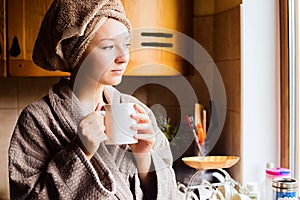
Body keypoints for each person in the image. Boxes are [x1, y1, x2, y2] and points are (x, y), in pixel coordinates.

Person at [8, 0, 177, 199]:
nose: (123, 57)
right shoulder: (37, 120)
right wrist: (80, 152)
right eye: (108, 47)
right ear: (76, 52)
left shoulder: (137, 111)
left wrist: (144, 157)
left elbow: (170, 194)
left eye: (126, 44)